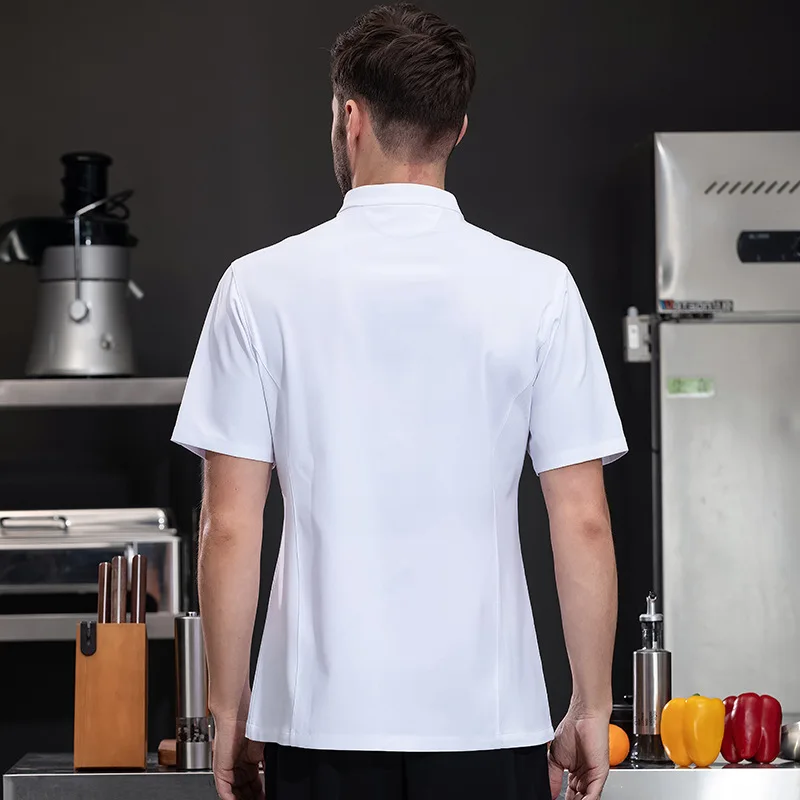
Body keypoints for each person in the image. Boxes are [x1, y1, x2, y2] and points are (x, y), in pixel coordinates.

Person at [172, 4, 626, 799]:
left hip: (317, 723)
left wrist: (227, 709)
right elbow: (582, 517)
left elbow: (231, 524)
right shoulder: (539, 288)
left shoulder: (258, 288)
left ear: (350, 118)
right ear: (457, 129)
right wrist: (592, 705)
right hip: (489, 723)